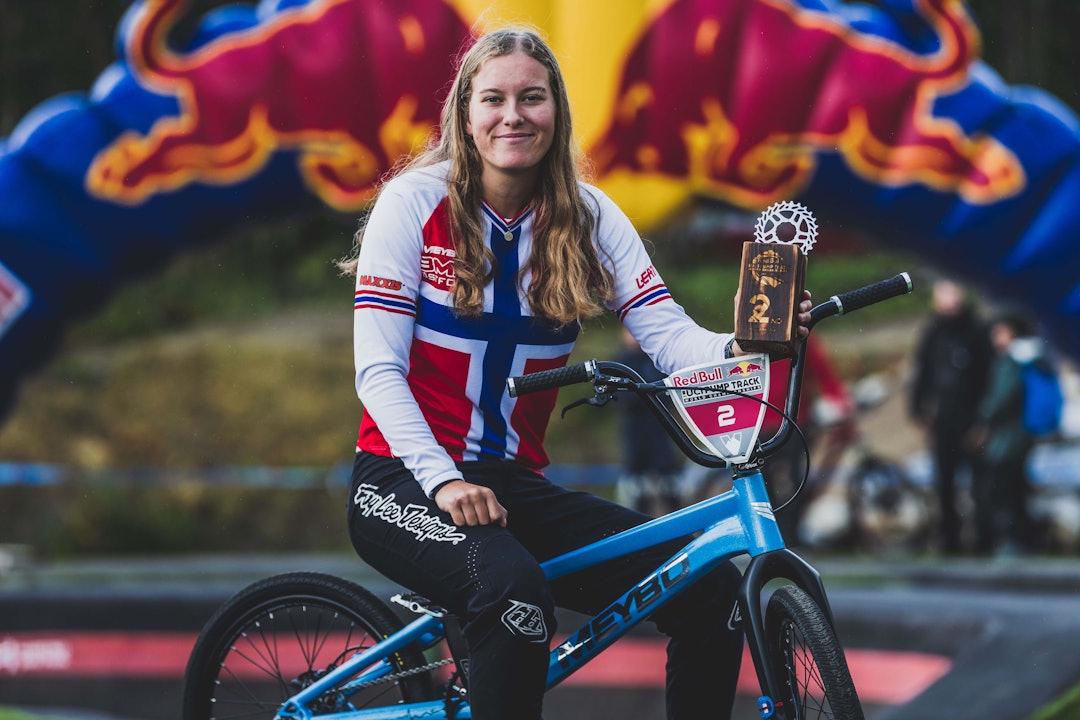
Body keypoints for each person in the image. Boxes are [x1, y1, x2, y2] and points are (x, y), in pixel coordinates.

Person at [338, 27, 813, 720]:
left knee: (708, 589)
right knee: (514, 595)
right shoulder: (412, 204)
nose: (513, 115)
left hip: (511, 486)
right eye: (493, 99)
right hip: (402, 477)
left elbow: (670, 340)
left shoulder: (591, 218)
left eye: (532, 98)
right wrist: (444, 481)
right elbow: (377, 372)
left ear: (556, 111)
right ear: (464, 115)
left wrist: (748, 343)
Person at [909, 278, 992, 553]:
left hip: (971, 419)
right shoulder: (933, 332)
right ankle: (950, 540)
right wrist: (917, 409)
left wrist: (982, 421)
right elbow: (923, 372)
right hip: (943, 419)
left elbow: (988, 377)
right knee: (944, 482)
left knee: (980, 484)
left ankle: (984, 540)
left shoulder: (977, 331)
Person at [968, 311, 1048, 556]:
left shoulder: (1009, 361)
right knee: (1016, 490)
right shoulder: (1030, 357)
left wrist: (982, 417)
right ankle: (1027, 539)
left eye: (999, 331)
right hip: (1022, 435)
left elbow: (1001, 397)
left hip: (1008, 438)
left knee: (1003, 491)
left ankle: (1017, 540)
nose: (994, 337)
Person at [614, 328, 683, 514]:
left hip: (661, 430)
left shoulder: (657, 361)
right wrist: (646, 398)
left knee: (670, 486)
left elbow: (669, 394)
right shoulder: (620, 362)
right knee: (638, 488)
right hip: (635, 433)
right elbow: (621, 399)